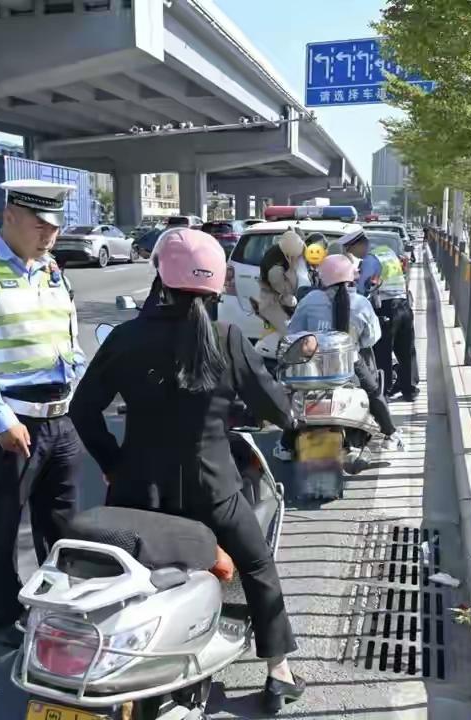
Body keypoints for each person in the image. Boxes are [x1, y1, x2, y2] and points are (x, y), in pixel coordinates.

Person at [69, 229, 305, 713]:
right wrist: (290, 419)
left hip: (137, 493)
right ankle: (277, 669)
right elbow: (275, 405)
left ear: (161, 276)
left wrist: (113, 464)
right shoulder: (228, 338)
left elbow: (83, 410)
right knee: (258, 565)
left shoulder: (125, 338)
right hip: (213, 493)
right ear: (216, 282)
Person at [0, 179, 86, 648]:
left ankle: (61, 606)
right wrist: (1, 419)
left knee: (62, 521)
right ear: (9, 217)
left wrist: (82, 393)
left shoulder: (52, 272)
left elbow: (67, 342)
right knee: (5, 519)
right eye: (39, 225)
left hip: (59, 417)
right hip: (11, 421)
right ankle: (0, 614)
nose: (49, 235)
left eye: (54, 227)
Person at [286, 254, 403, 456]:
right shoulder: (361, 303)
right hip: (349, 364)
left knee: (292, 396)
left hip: (312, 367)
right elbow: (371, 339)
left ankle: (285, 444)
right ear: (351, 277)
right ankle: (390, 433)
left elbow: (294, 333)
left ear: (322, 277)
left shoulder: (309, 300)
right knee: (374, 394)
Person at [362, 236, 420, 401]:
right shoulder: (391, 256)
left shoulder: (371, 260)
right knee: (407, 350)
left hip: (386, 308)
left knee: (383, 351)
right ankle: (409, 389)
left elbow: (362, 288)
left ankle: (385, 390)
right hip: (404, 306)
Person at [257, 229, 306, 334]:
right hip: (275, 305)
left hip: (278, 304)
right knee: (287, 334)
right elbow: (281, 288)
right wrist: (288, 298)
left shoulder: (282, 251)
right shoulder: (276, 267)